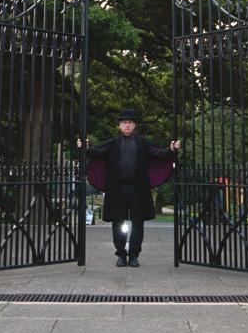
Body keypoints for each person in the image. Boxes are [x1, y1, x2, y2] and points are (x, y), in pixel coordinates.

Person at [77, 108, 180, 268]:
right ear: (119, 125)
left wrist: (171, 149)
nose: (127, 125)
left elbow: (157, 153)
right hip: (117, 190)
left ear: (134, 125)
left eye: (130, 123)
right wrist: (85, 147)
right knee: (117, 223)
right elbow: (98, 152)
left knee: (138, 223)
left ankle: (133, 255)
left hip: (138, 189)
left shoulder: (141, 142)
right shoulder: (113, 142)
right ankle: (121, 255)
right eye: (124, 123)